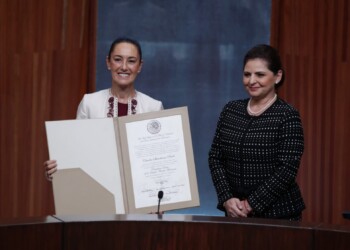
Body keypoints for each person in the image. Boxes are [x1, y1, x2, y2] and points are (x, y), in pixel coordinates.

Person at [208, 44, 305, 221]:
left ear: (277, 76)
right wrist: (227, 198)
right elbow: (215, 157)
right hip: (234, 213)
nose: (251, 81)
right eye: (247, 74)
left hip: (280, 216)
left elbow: (287, 169)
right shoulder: (231, 110)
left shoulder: (287, 115)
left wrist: (251, 204)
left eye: (260, 74)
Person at [44, 37, 163, 180]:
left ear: (140, 66)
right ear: (108, 63)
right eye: (118, 59)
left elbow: (159, 161)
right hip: (98, 189)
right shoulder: (89, 103)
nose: (124, 67)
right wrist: (58, 170)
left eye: (131, 61)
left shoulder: (154, 107)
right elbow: (76, 151)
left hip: (140, 191)